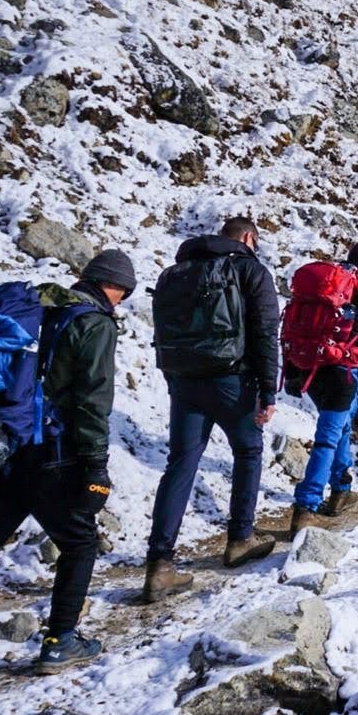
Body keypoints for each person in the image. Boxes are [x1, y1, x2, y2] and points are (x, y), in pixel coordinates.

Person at [0, 249, 134, 675]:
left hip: (3, 446)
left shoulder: (43, 306)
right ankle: (61, 641)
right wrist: (95, 465)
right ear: (117, 289)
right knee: (80, 543)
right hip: (52, 454)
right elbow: (93, 399)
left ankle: (62, 639)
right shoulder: (93, 323)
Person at [145, 217, 280, 603]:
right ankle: (240, 538)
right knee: (248, 451)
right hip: (231, 379)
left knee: (182, 461)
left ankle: (160, 563)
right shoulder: (249, 269)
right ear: (249, 238)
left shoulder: (177, 271)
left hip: (183, 379)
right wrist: (269, 391)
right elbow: (265, 332)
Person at [286, 239, 358, 533]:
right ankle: (306, 506)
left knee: (342, 424)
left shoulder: (325, 285)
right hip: (343, 371)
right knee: (327, 437)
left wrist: (293, 371)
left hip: (310, 366)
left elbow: (297, 326)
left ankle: (342, 488)